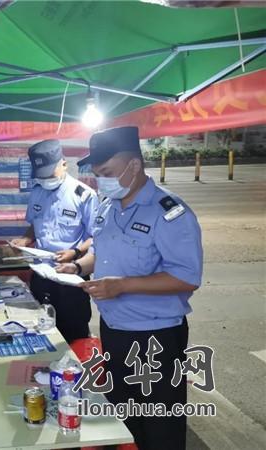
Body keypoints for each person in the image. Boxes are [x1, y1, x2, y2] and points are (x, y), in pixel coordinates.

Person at [60, 126, 203, 450]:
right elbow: (102, 253)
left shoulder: (169, 212)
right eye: (97, 174)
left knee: (161, 429)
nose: (101, 181)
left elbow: (187, 277)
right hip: (114, 332)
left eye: (107, 172)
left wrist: (123, 286)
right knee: (125, 423)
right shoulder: (108, 206)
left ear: (134, 165)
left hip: (156, 340)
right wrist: (78, 267)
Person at [10, 139, 98, 343]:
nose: (46, 179)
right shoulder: (37, 192)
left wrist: (75, 252)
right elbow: (35, 224)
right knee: (40, 332)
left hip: (71, 275)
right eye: (41, 175)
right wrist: (25, 239)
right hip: (41, 275)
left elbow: (96, 236)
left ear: (63, 164)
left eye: (50, 174)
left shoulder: (84, 195)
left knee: (73, 335)